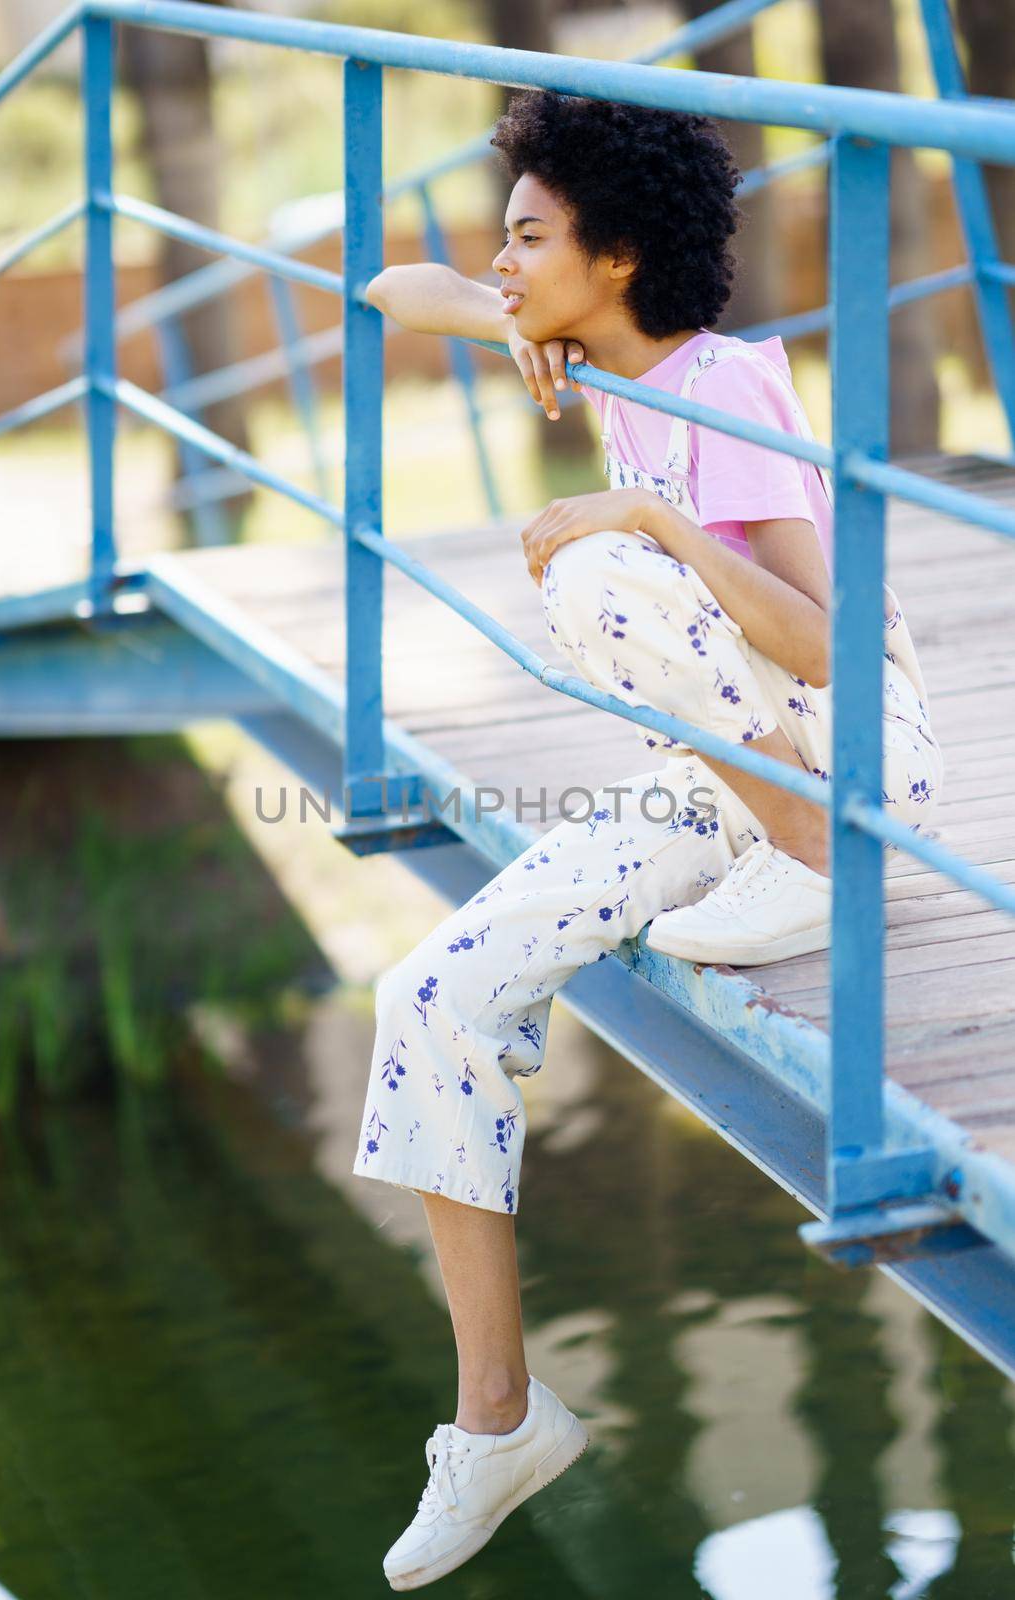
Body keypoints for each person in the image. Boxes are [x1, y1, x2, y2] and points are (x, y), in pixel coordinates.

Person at [353, 89, 944, 1591]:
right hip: (719, 774)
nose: (500, 264)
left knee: (591, 566)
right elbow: (387, 286)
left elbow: (823, 644)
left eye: (528, 240)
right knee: (429, 995)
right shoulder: (592, 344)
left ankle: (812, 854)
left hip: (846, 756)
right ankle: (498, 1421)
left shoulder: (724, 388)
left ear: (613, 259)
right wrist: (507, 310)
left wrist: (655, 522)